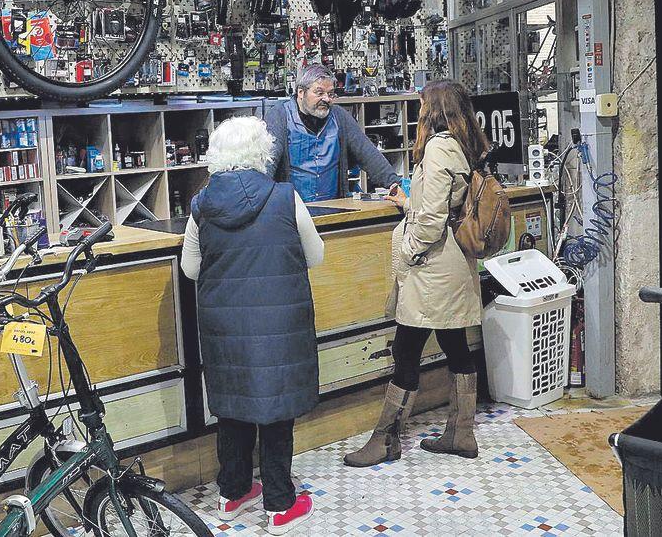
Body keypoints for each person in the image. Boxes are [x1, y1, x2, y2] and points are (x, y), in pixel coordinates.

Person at [180, 116, 323, 535]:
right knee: (276, 412)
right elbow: (315, 256)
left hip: (224, 327)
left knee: (233, 408)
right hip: (280, 323)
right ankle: (280, 505)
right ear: (263, 153)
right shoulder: (285, 197)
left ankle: (233, 494)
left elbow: (191, 268)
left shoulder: (201, 206)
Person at [344, 79, 488, 467]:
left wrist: (407, 252)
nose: (419, 111)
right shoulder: (461, 147)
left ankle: (385, 441)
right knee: (456, 345)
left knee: (405, 349)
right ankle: (462, 433)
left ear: (435, 109)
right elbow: (439, 207)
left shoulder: (439, 149)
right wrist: (410, 202)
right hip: (452, 267)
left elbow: (430, 223)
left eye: (423, 104)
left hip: (432, 270)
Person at [264, 63, 401, 202]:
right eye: (319, 93)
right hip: (291, 209)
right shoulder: (279, 116)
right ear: (300, 92)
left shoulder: (339, 116)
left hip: (333, 206)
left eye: (330, 94)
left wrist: (394, 184)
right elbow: (268, 163)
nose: (327, 99)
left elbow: (368, 154)